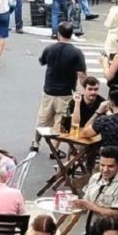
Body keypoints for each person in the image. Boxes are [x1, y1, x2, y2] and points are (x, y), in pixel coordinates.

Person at [29, 23, 86, 156]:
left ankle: (36, 143)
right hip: (66, 92)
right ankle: (54, 149)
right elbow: (82, 74)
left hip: (49, 89)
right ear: (71, 34)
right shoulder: (76, 53)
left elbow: (41, 61)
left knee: (43, 118)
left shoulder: (50, 49)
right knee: (62, 121)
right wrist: (84, 89)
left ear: (59, 33)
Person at [72, 145, 118, 235]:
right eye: (102, 165)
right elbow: (86, 203)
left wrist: (91, 206)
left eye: (110, 166)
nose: (105, 170)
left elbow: (117, 214)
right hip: (90, 233)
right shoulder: (95, 178)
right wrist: (74, 204)